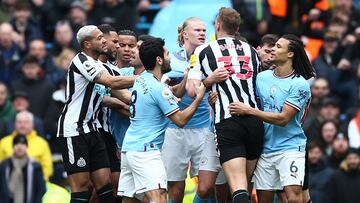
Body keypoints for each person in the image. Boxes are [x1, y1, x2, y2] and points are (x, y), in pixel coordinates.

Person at [187, 7, 264, 203]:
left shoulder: (203, 50)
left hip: (227, 121)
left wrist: (208, 81)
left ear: (218, 25)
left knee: (237, 189)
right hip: (255, 121)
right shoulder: (252, 51)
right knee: (244, 186)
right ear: (237, 28)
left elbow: (192, 90)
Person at [228, 34, 315, 203]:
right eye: (274, 46)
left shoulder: (299, 84)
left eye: (278, 47)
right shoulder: (261, 78)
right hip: (265, 148)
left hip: (290, 147)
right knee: (264, 199)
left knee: (294, 199)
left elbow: (283, 119)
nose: (273, 49)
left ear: (290, 54)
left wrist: (249, 110)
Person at [118, 38, 206, 203]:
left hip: (129, 148)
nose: (170, 57)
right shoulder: (159, 89)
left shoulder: (141, 79)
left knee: (130, 200)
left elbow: (162, 95)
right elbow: (180, 120)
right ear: (158, 60)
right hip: (146, 150)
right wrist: (198, 99)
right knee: (158, 196)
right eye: (166, 54)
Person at [56, 25, 136, 203]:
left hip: (93, 128)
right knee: (82, 187)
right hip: (73, 130)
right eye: (99, 38)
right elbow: (110, 82)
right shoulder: (81, 60)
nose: (104, 41)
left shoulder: (102, 66)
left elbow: (124, 96)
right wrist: (145, 78)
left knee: (105, 184)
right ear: (87, 44)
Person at [161, 17, 224, 203]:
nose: (202, 33)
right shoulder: (171, 60)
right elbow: (164, 90)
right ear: (184, 34)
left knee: (207, 187)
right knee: (176, 187)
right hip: (174, 130)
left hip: (204, 129)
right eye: (197, 30)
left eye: (204, 30)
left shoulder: (211, 58)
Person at [0, 110, 53, 181]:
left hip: (35, 182)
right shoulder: (4, 142)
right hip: (7, 181)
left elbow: (48, 167)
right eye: (19, 122)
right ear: (15, 124)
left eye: (26, 122)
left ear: (32, 124)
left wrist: (39, 181)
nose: (22, 125)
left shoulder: (42, 143)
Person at [0, 134, 46, 203]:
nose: (19, 147)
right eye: (16, 144)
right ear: (13, 147)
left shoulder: (35, 166)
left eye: (22, 144)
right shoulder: (4, 165)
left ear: (27, 147)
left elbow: (41, 189)